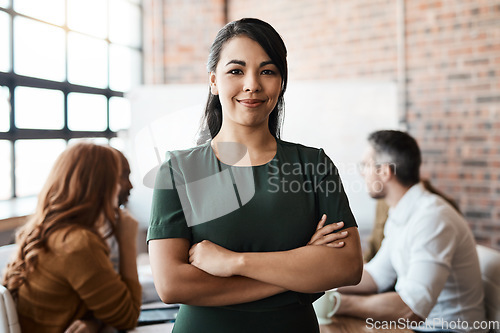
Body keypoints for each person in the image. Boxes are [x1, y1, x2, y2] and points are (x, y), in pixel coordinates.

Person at [147, 18, 363, 332]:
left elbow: (347, 266)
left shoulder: (313, 163)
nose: (252, 84)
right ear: (213, 81)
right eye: (236, 71)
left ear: (282, 82)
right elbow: (172, 285)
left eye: (267, 71)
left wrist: (234, 262)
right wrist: (298, 273)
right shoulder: (179, 169)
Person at [336, 130, 486, 332]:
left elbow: (410, 310)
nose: (362, 172)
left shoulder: (432, 218)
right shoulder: (401, 212)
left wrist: (337, 304)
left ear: (385, 172)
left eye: (366, 165)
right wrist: (321, 284)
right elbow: (376, 276)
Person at [3, 142, 142, 332]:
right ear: (100, 186)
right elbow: (128, 317)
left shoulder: (46, 230)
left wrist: (94, 323)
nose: (124, 187)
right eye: (117, 180)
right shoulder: (78, 243)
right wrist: (127, 241)